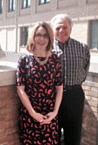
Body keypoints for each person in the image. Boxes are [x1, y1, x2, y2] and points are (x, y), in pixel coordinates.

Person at [16, 22, 63, 144]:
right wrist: (33, 113)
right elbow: (20, 89)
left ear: (50, 38)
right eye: (38, 35)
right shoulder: (24, 60)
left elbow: (59, 88)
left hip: (50, 114)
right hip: (30, 115)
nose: (41, 39)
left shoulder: (55, 60)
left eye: (45, 35)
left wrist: (55, 112)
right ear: (33, 37)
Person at [51, 14, 90, 145]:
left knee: (74, 134)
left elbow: (85, 70)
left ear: (71, 29)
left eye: (65, 27)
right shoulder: (46, 48)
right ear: (53, 30)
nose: (61, 31)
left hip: (74, 95)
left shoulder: (83, 47)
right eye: (58, 28)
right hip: (52, 96)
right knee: (52, 133)